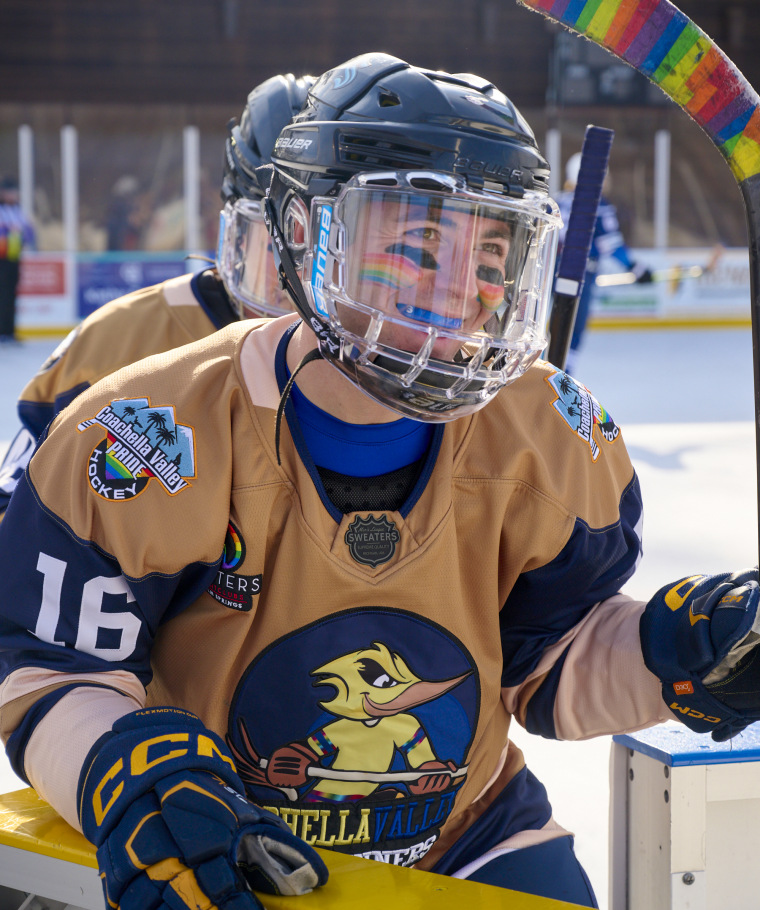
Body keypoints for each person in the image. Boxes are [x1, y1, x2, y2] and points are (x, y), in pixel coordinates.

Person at [0, 53, 758, 910]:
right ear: (301, 229)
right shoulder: (144, 435)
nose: (463, 292)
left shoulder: (549, 431)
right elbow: (53, 674)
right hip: (230, 841)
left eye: (491, 252)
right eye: (415, 246)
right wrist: (133, 780)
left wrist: (676, 654)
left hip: (471, 834)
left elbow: (544, 663)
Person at [0, 72, 312, 520]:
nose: (295, 287)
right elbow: (17, 515)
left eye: (317, 255)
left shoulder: (388, 377)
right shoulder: (116, 342)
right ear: (234, 238)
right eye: (274, 243)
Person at [555, 152, 652, 375]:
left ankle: (539, 375)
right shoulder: (598, 205)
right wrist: (638, 270)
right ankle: (560, 383)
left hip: (551, 273)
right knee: (572, 333)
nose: (606, 181)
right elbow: (612, 246)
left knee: (548, 329)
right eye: (603, 176)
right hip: (580, 276)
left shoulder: (558, 200)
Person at [0, 175, 36, 344]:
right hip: (1, 258)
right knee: (2, 294)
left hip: (13, 258)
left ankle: (9, 331)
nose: (13, 196)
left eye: (15, 193)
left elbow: (29, 233)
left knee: (11, 295)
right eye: (9, 192)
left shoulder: (18, 211)